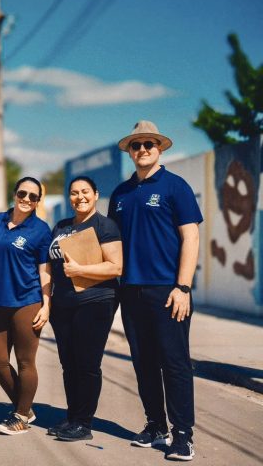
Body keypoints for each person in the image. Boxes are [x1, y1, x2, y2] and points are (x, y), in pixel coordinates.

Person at [108, 120, 202, 461]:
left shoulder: (176, 187)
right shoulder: (120, 194)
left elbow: (190, 237)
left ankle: (183, 435)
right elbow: (111, 245)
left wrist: (183, 287)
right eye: (136, 145)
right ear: (130, 151)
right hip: (130, 291)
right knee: (143, 362)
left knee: (174, 363)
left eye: (149, 144)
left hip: (167, 290)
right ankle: (155, 425)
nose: (143, 149)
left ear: (159, 148)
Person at [46, 176, 123, 441]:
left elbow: (116, 267)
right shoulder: (61, 226)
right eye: (74, 193)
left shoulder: (105, 225)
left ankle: (84, 423)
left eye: (85, 192)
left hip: (95, 303)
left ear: (95, 194)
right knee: (69, 364)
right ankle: (72, 417)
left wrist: (80, 270)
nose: (80, 197)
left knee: (87, 364)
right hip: (63, 304)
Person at [0, 177, 52, 435]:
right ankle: (25, 407)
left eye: (33, 197)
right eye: (22, 193)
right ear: (14, 194)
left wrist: (47, 305)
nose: (26, 199)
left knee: (25, 362)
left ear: (38, 201)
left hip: (27, 301)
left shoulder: (41, 229)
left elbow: (45, 271)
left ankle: (22, 416)